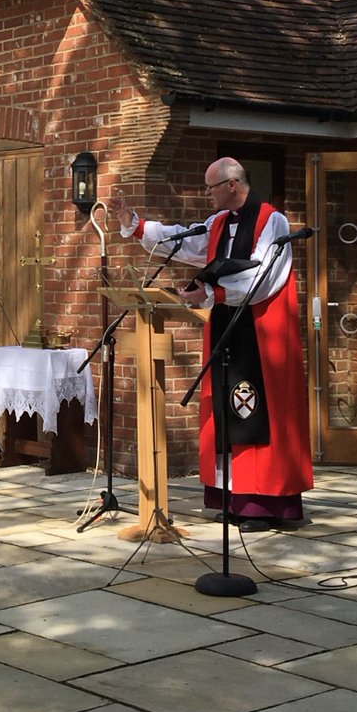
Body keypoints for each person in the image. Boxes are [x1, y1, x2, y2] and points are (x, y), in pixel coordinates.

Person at [112, 159, 314, 531]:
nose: (207, 194)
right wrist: (137, 225)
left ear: (232, 184)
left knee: (257, 409)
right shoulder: (218, 222)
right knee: (226, 407)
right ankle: (236, 500)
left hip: (261, 332)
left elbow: (264, 275)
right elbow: (185, 240)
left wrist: (215, 293)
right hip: (227, 325)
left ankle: (264, 505)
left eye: (211, 187)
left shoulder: (272, 221)